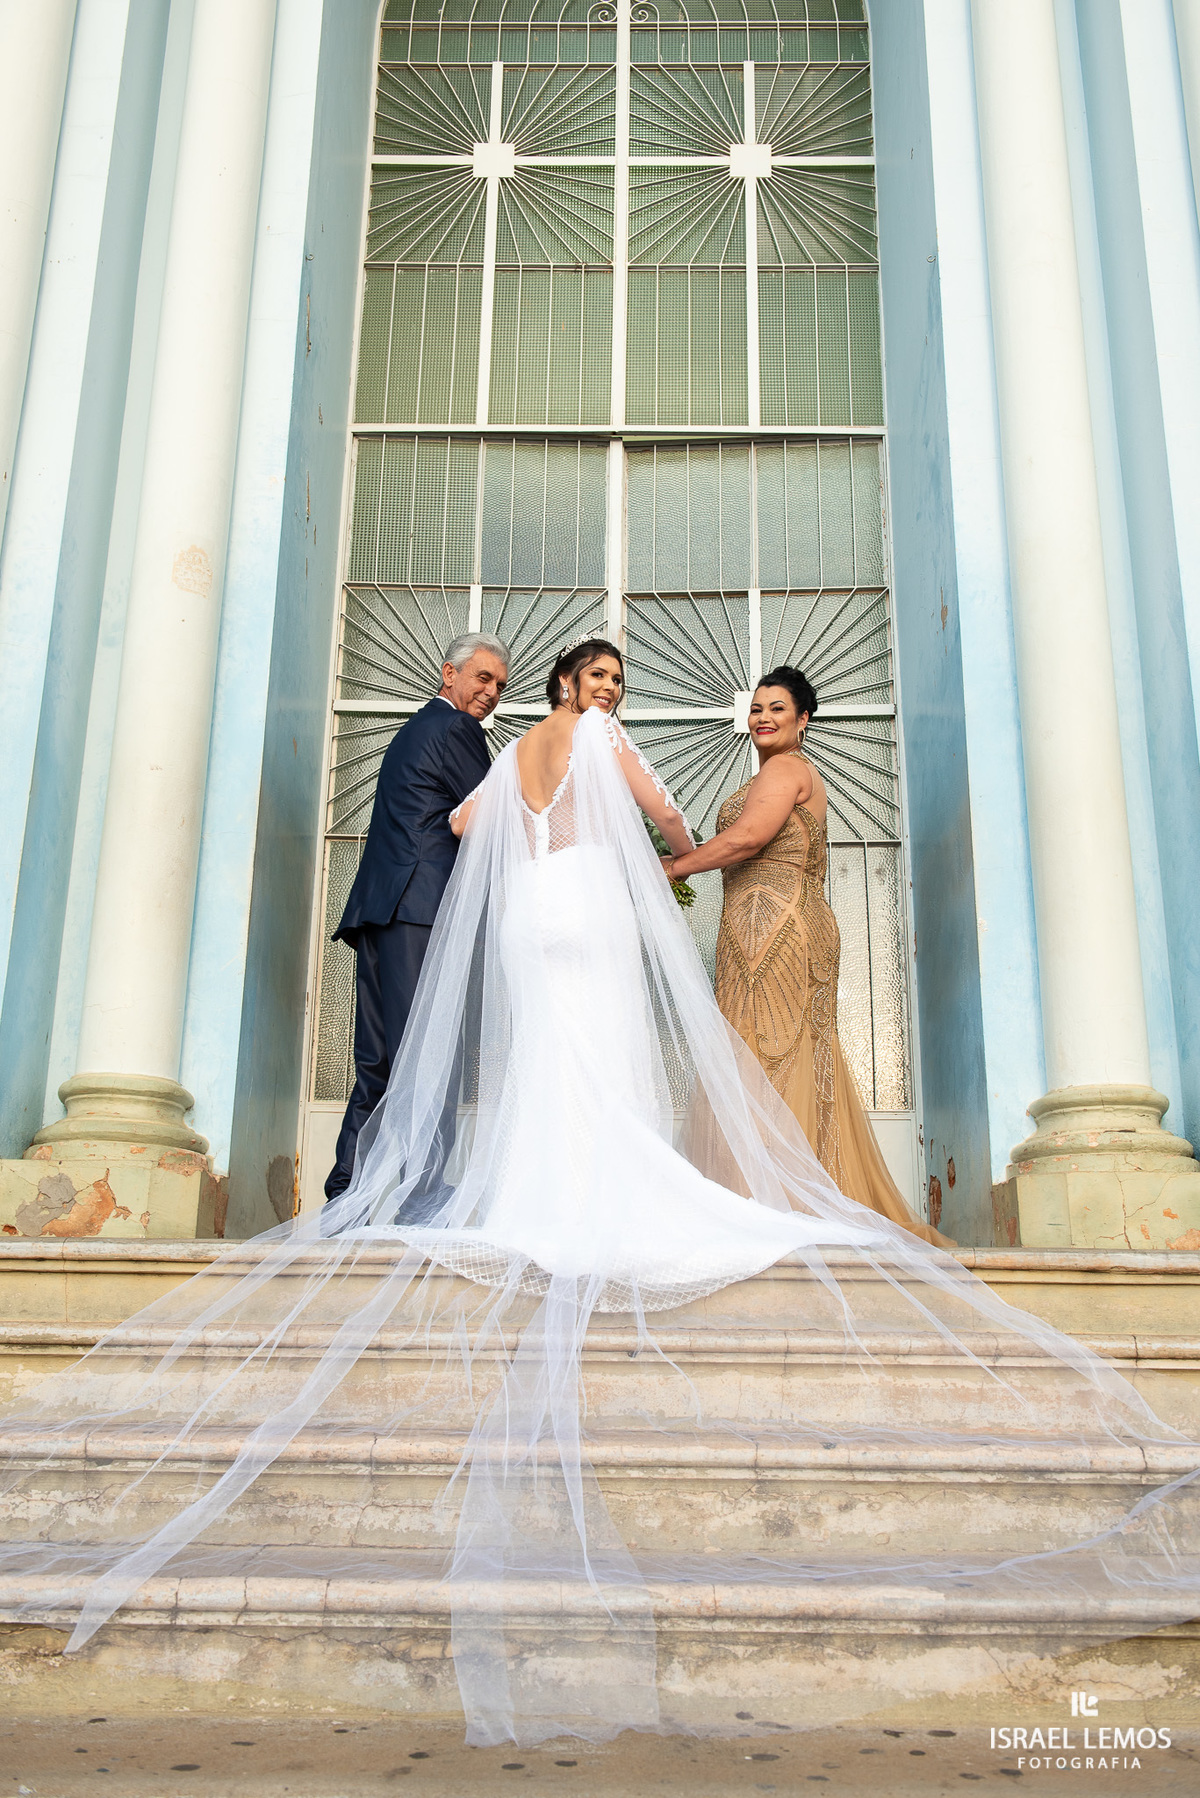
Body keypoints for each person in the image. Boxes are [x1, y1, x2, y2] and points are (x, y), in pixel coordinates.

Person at [1, 645, 1197, 1751]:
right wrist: (646, 839)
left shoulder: (516, 747)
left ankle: (536, 1191)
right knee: (609, 1053)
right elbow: (672, 820)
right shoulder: (607, 741)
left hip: (528, 916)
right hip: (591, 909)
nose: (614, 690)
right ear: (590, 688)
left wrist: (541, 845)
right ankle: (618, 1183)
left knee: (542, 1065)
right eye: (608, 676)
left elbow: (467, 825)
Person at [661, 664, 950, 1246]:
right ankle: (763, 1194)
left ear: (803, 720)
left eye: (777, 710)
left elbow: (747, 839)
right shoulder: (777, 773)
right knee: (757, 1054)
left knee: (768, 1054)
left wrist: (667, 867)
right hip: (756, 927)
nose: (763, 718)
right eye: (757, 709)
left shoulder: (789, 769)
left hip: (779, 931)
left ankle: (774, 1200)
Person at [324, 632, 509, 1202]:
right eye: (482, 678)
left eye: (501, 685)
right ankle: (423, 1194)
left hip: (383, 910)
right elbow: (494, 815)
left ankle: (345, 1197)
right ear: (448, 674)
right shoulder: (456, 729)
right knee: (433, 1051)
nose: (491, 693)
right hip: (424, 912)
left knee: (379, 1059)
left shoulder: (413, 730)